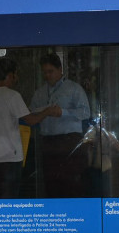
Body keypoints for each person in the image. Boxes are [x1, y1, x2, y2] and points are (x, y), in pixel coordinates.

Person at [0, 58, 53, 233]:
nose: (16, 78)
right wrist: (47, 111)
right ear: (9, 76)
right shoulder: (12, 95)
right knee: (9, 195)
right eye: (15, 74)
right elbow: (31, 120)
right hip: (10, 153)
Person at [29, 52, 92, 198]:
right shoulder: (39, 93)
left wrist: (63, 112)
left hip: (69, 141)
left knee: (71, 184)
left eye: (50, 71)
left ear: (60, 70)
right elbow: (31, 113)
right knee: (51, 184)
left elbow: (85, 112)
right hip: (48, 143)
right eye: (44, 72)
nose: (47, 75)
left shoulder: (74, 89)